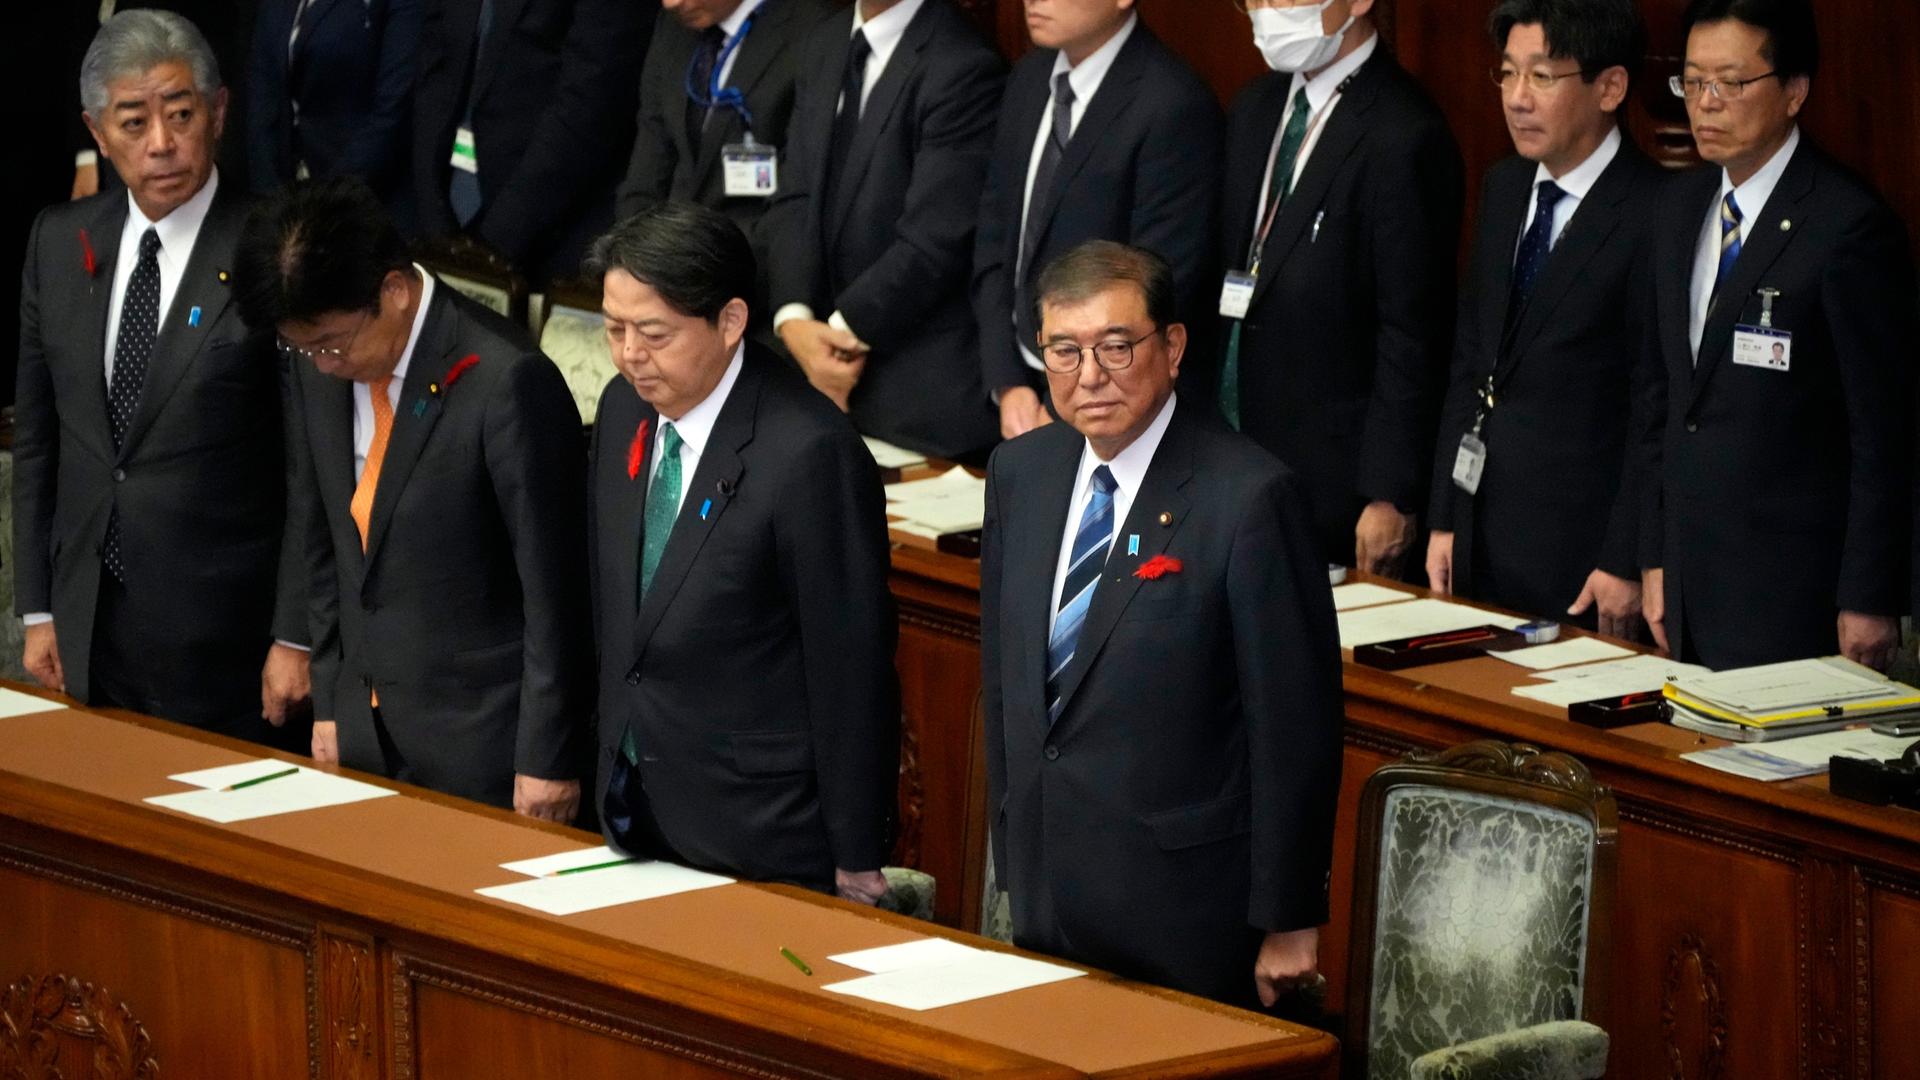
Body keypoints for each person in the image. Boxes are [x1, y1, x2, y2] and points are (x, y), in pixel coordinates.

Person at [979, 240, 1342, 1009]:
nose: (1091, 376)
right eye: (1064, 352)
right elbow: (1006, 675)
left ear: (1172, 346)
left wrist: (1290, 919)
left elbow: (1294, 728)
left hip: (1183, 908)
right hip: (1047, 887)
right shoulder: (1021, 473)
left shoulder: (1248, 498)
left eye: (1116, 347)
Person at [237, 177, 593, 818]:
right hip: (362, 730)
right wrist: (333, 693)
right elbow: (323, 533)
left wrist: (547, 757)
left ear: (394, 291)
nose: (320, 363)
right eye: (303, 346)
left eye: (332, 343)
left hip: (483, 744)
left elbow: (556, 593)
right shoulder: (315, 360)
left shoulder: (507, 381)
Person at [15, 9, 310, 750]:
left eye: (180, 115)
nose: (161, 144)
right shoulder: (59, 239)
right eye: (134, 121)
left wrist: (298, 634)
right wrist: (38, 608)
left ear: (217, 112)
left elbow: (314, 465)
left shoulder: (273, 249)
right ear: (95, 129)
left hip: (228, 643)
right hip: (88, 627)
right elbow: (42, 437)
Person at [587, 202, 900, 900]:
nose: (630, 354)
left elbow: (850, 667)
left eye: (654, 333)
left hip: (758, 833)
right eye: (614, 329)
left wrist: (854, 849)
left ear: (729, 322)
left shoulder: (809, 453)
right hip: (627, 805)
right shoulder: (622, 408)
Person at [1640, 0, 1915, 669]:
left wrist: (1870, 595)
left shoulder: (1846, 227)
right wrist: (1651, 556)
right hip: (1687, 585)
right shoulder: (1677, 209)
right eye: (1692, 82)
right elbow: (1661, 401)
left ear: (1794, 91)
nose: (1706, 103)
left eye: (1730, 84)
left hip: (1796, 592)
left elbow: (1883, 431)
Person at [1424, 0, 1666, 635]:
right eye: (1507, 74)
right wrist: (1446, 515)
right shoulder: (1505, 187)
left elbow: (1654, 407)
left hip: (1585, 560)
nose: (1517, 98)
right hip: (1481, 537)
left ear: (1610, 87)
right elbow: (1473, 362)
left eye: (1542, 76)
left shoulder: (1655, 213)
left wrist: (1626, 557)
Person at [1216, 0, 1463, 575]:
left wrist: (1389, 492)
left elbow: (1414, 334)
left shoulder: (1405, 132)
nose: (1265, 10)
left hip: (1334, 487)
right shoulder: (1254, 107)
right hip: (1233, 458)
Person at [763, 0, 1004, 459]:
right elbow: (794, 196)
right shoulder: (824, 42)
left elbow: (934, 241)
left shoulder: (963, 63)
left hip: (918, 393)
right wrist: (793, 320)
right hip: (810, 369)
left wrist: (833, 338)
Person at [973, 0, 1222, 441]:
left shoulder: (1172, 102)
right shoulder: (1029, 79)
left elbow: (1162, 283)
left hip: (1109, 406)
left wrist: (1062, 403)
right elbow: (994, 240)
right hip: (1017, 394)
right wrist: (1007, 382)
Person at [411, 0, 650, 282]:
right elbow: (434, 61)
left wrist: (494, 244)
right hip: (442, 214)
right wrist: (433, 216)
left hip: (550, 233)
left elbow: (591, 103)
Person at [616, 0, 834, 285]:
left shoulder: (816, 34)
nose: (671, 2)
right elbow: (648, 168)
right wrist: (631, 262)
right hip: (663, 276)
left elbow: (796, 207)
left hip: (751, 281)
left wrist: (692, 277)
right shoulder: (674, 26)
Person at [246, 0, 422, 224]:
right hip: (286, 200)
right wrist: (270, 203)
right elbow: (262, 100)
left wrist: (321, 207)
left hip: (368, 203)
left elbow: (393, 112)